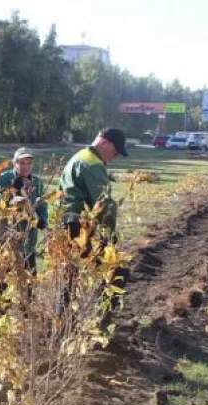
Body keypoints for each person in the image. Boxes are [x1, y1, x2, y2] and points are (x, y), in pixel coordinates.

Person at [58, 128, 129, 312]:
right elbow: (103, 206)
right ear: (104, 143)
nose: (115, 157)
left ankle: (63, 320)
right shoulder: (92, 165)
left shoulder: (80, 156)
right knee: (116, 269)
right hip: (80, 226)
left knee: (69, 276)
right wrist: (111, 237)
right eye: (115, 152)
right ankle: (104, 319)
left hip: (67, 222)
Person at [0, 147, 49, 274]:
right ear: (14, 163)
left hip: (28, 237)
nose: (25, 167)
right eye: (21, 163)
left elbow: (42, 205)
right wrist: (12, 191)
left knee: (30, 278)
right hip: (8, 235)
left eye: (29, 163)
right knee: (4, 277)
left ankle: (27, 294)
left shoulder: (37, 182)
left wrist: (42, 220)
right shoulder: (4, 179)